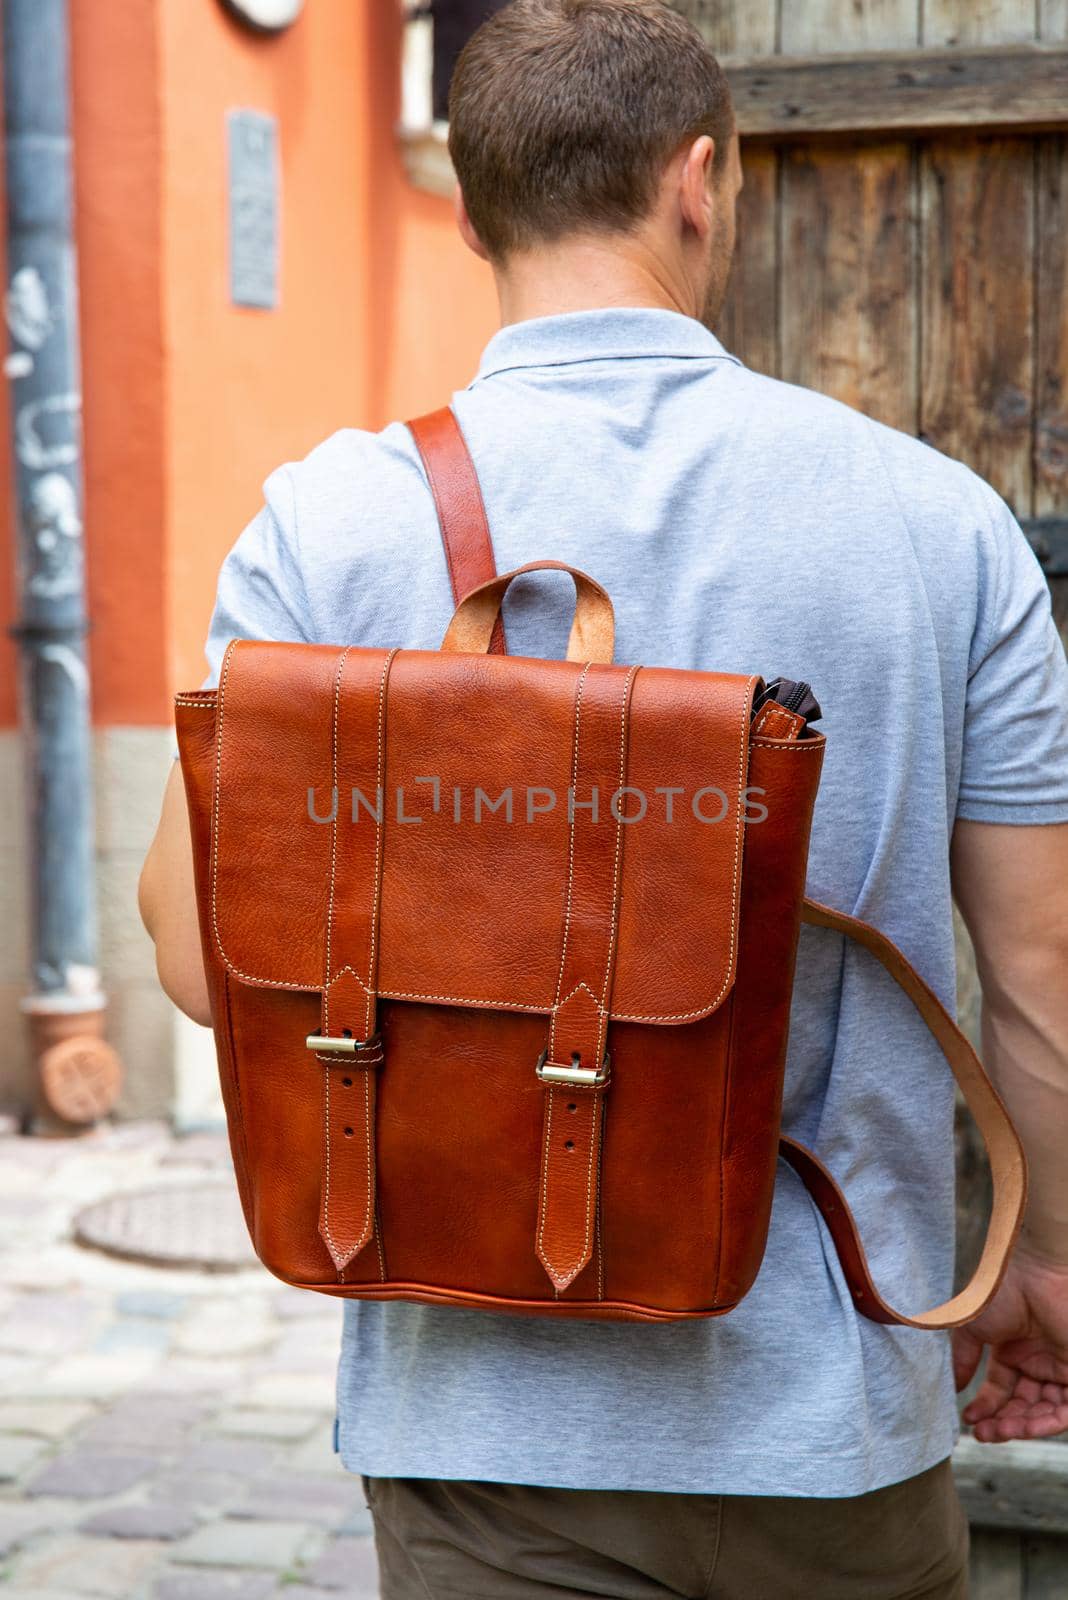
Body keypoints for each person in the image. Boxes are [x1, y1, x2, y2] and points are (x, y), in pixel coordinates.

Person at [140, 2, 1068, 1594]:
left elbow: (191, 952)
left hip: (480, 1427)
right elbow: (1042, 973)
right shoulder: (941, 522)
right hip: (834, 1414)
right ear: (698, 180)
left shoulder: (326, 524)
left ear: (471, 200)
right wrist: (1043, 1262)